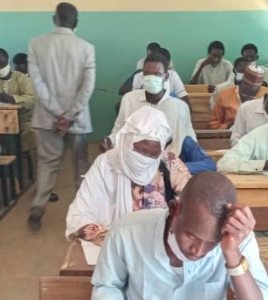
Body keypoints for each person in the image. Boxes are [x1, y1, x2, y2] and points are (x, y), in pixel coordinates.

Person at [91, 171, 268, 300]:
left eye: (212, 242)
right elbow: (108, 285)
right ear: (174, 209)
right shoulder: (127, 231)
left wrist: (232, 254)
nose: (198, 251)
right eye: (191, 236)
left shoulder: (237, 239)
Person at [66, 106, 191, 243]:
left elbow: (192, 205)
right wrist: (117, 241)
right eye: (141, 151)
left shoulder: (170, 164)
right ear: (127, 141)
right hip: (115, 242)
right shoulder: (106, 165)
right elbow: (80, 215)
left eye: (153, 154)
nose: (145, 159)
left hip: (160, 242)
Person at [27, 2, 96, 230]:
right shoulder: (86, 47)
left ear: (54, 19)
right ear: (75, 23)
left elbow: (37, 83)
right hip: (77, 119)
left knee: (47, 164)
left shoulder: (36, 44)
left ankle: (39, 205)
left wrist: (57, 113)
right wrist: (70, 114)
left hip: (47, 118)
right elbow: (87, 87)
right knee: (81, 166)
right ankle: (82, 213)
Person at [104, 53, 196, 160]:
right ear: (143, 76)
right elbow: (119, 131)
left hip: (167, 160)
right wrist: (109, 141)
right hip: (132, 157)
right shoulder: (129, 99)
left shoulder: (178, 106)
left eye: (157, 74)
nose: (152, 78)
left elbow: (183, 141)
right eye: (147, 73)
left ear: (165, 77)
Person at [0, 48, 36, 153]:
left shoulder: (22, 79)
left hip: (23, 123)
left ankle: (28, 166)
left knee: (33, 134)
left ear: (9, 62)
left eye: (2, 64)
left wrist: (13, 99)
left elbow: (32, 99)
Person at [209, 65, 268, 130]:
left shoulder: (266, 94)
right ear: (242, 82)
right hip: (230, 135)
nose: (251, 92)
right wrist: (229, 126)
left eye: (256, 89)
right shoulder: (224, 95)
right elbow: (213, 126)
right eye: (248, 88)